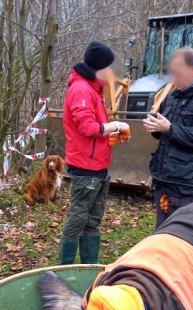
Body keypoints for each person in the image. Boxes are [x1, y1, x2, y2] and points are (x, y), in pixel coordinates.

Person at [59, 42, 130, 264]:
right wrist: (115, 125)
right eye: (108, 68)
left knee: (93, 219)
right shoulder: (80, 90)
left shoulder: (94, 90)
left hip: (98, 166)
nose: (111, 73)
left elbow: (96, 131)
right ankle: (65, 267)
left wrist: (112, 136)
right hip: (85, 167)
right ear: (99, 69)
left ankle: (89, 265)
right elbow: (87, 128)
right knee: (78, 218)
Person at [143, 47, 193, 228]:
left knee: (178, 234)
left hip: (184, 183)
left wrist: (169, 128)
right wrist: (155, 128)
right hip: (164, 178)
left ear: (192, 70)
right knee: (161, 232)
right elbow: (166, 131)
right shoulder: (172, 97)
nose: (173, 77)